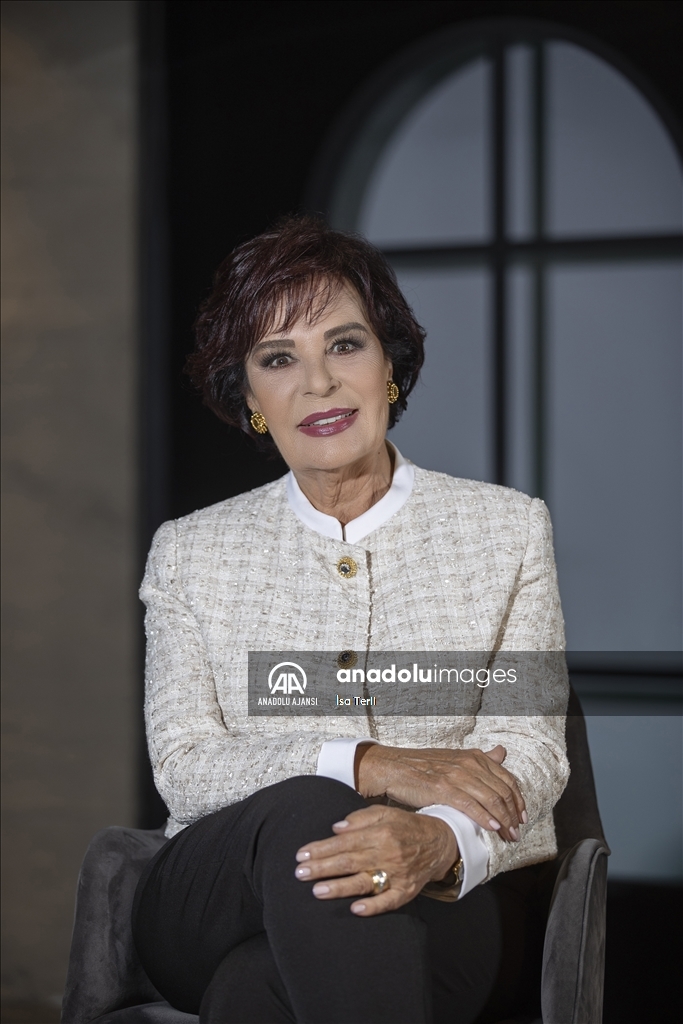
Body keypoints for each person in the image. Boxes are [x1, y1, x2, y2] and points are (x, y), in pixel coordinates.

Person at [132, 216, 569, 1024]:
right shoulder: (191, 552)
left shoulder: (505, 531)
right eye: (277, 359)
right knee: (309, 804)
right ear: (249, 398)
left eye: (344, 344)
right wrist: (368, 763)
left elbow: (531, 746)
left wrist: (439, 838)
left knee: (255, 989)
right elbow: (186, 765)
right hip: (215, 894)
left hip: (432, 889)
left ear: (389, 366)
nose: (318, 383)